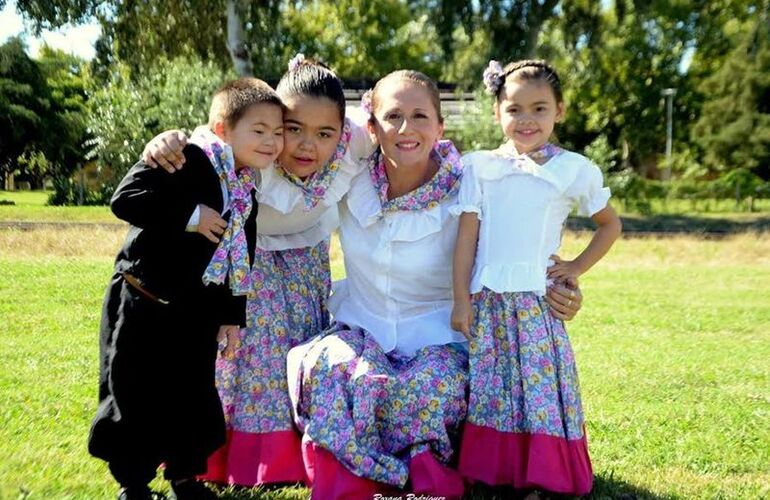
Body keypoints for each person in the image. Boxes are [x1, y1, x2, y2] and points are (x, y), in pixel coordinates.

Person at [285, 69, 585, 500]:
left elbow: (520, 252)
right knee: (331, 371)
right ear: (371, 127)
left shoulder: (471, 188)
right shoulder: (347, 179)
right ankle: (350, 473)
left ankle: (418, 472)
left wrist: (566, 289)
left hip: (440, 338)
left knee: (428, 387)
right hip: (361, 328)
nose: (407, 129)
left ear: (440, 127)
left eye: (421, 116)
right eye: (393, 116)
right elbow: (275, 137)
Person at [141, 56, 374, 487]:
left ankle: (299, 446)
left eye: (324, 133)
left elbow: (401, 129)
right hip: (252, 258)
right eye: (292, 129)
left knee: (298, 345)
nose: (307, 146)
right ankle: (230, 452)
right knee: (251, 353)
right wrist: (165, 141)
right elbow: (207, 141)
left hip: (308, 258)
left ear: (342, 132)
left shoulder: (354, 141)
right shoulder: (254, 152)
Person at [87, 77, 284, 500]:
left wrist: (232, 317)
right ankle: (134, 484)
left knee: (193, 397)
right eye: (259, 130)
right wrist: (190, 215)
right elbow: (126, 199)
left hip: (196, 313)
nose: (272, 141)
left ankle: (185, 478)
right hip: (143, 301)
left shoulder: (246, 186)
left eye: (278, 132)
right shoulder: (185, 157)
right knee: (134, 391)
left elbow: (240, 256)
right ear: (222, 130)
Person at [451, 59, 622, 497]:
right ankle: (497, 471)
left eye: (539, 108)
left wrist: (575, 267)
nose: (526, 120)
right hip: (487, 299)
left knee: (540, 392)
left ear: (559, 111)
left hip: (536, 302)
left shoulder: (573, 169)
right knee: (495, 388)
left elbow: (609, 224)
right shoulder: (479, 167)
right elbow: (467, 238)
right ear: (497, 114)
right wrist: (460, 298)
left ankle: (543, 475)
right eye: (514, 109)